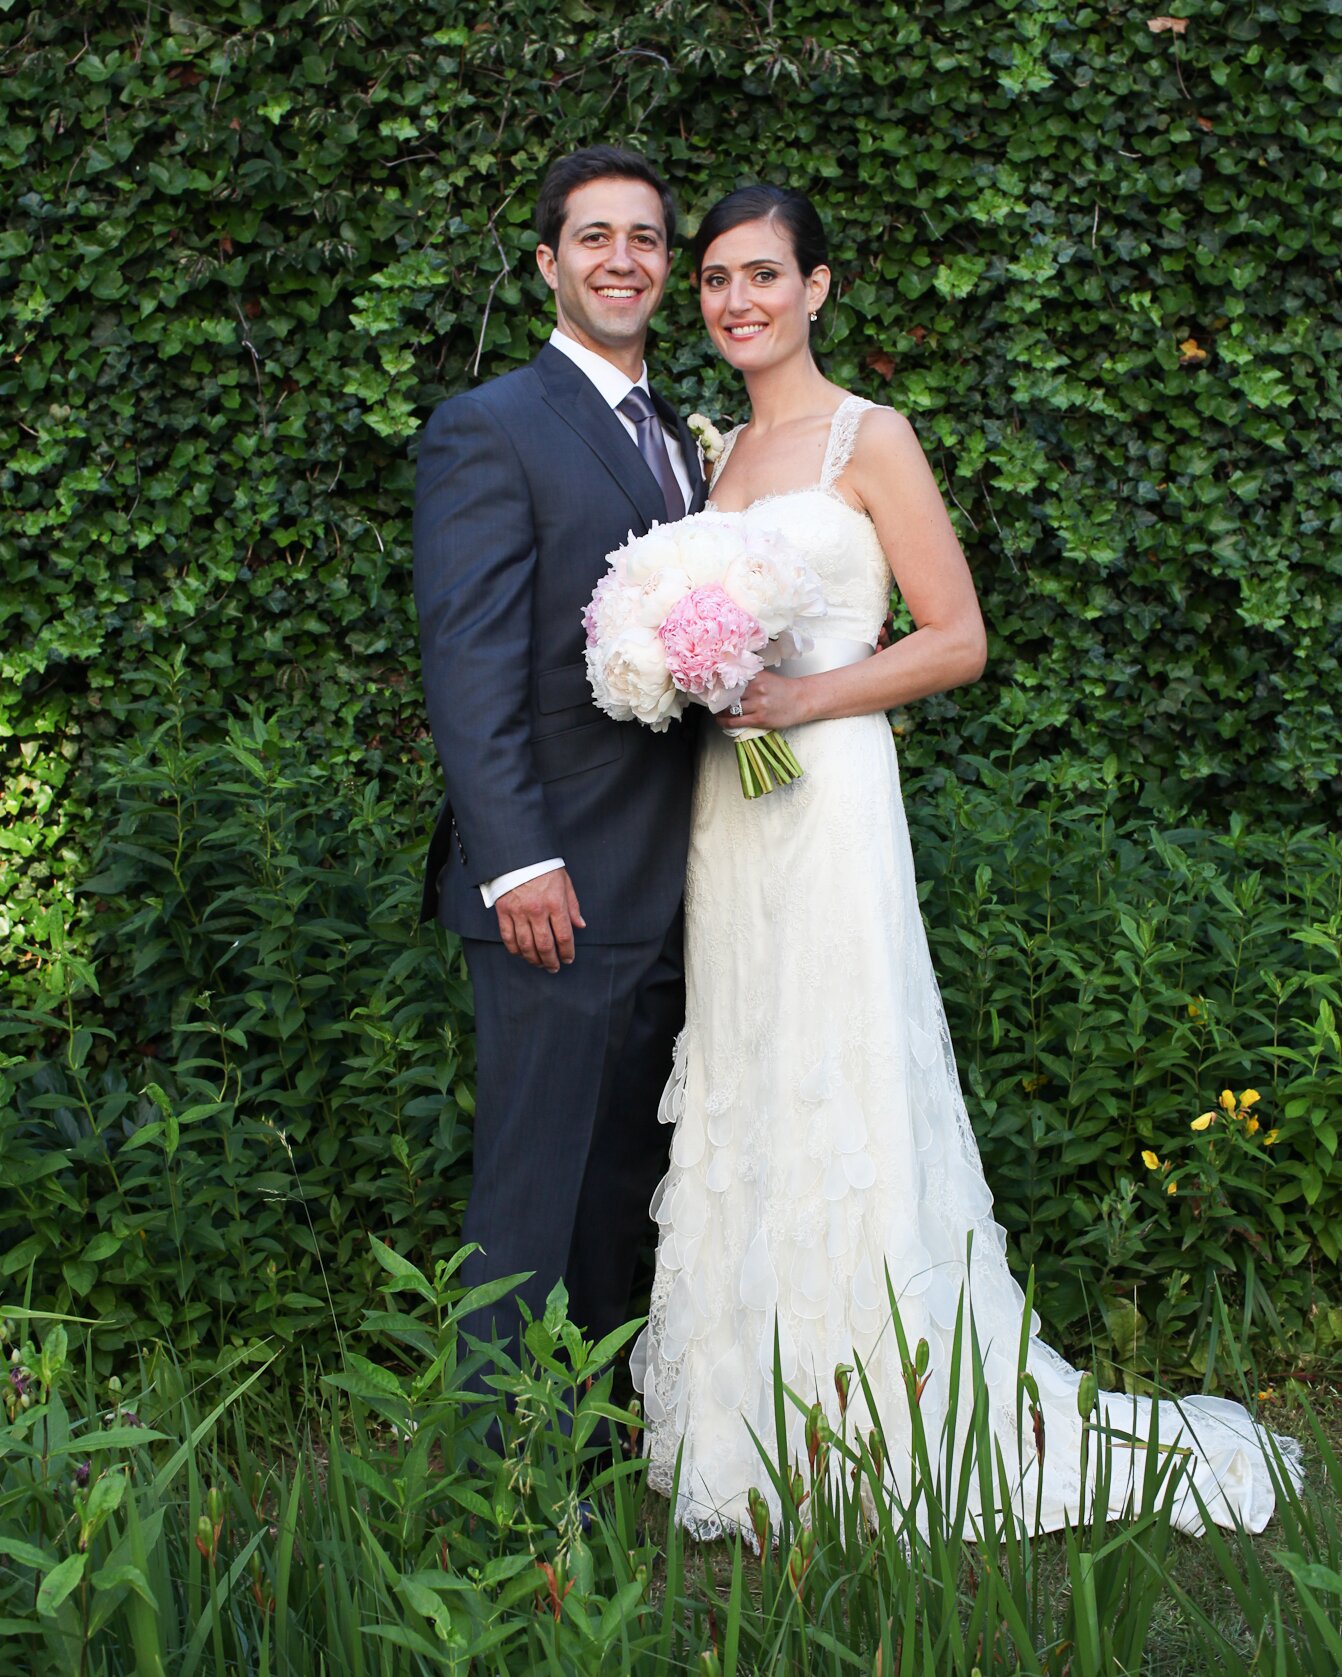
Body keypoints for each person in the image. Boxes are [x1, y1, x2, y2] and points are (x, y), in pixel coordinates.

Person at [630, 184, 1301, 1539]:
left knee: (843, 1066)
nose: (735, 299)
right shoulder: (714, 458)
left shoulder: (869, 441)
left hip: (826, 793)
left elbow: (954, 638)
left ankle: (890, 1403)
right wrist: (692, 677)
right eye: (713, 279)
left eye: (762, 273)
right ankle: (753, 1418)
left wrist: (795, 703)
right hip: (732, 808)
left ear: (816, 287)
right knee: (751, 1069)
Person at [413, 147, 705, 1380]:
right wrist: (516, 860)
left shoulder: (687, 446)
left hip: (676, 880)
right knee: (533, 1194)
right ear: (548, 263)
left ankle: (586, 1450)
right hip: (557, 884)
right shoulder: (491, 429)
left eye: (643, 239)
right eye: (595, 238)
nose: (621, 260)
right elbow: (467, 664)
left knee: (616, 1188)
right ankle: (493, 1484)